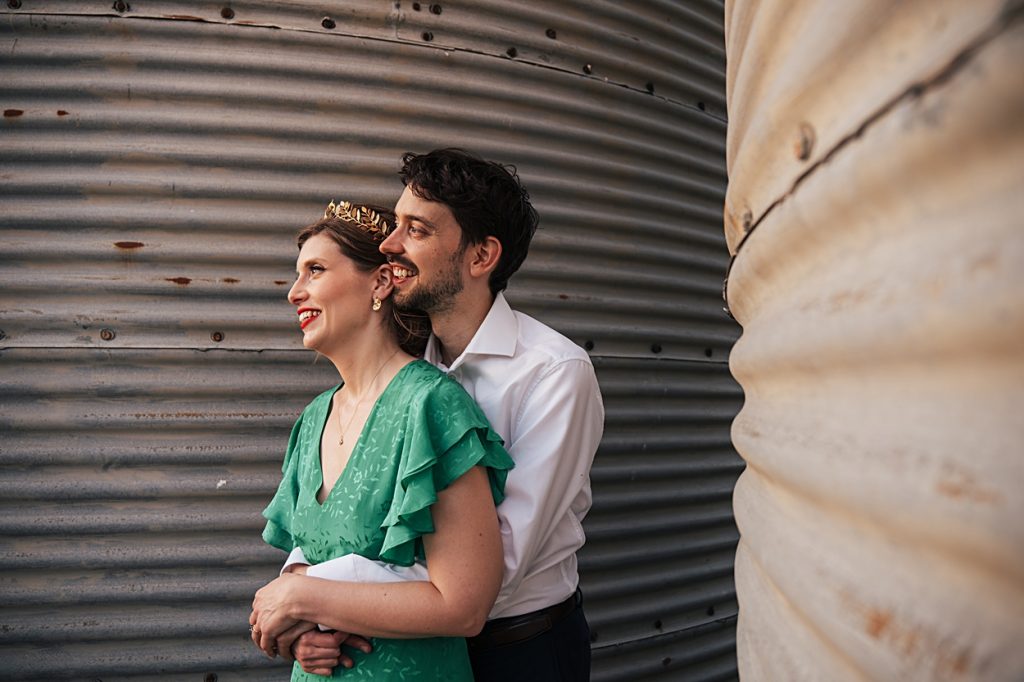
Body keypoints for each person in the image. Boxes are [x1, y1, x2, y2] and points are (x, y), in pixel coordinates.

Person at [288, 149, 605, 682]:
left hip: (519, 650)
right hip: (405, 645)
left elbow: (495, 566)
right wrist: (315, 605)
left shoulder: (554, 373)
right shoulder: (405, 374)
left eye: (416, 230)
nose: (390, 244)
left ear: (481, 257)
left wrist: (319, 598)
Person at [248, 200, 515, 681]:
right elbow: (312, 562)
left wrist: (302, 597)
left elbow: (464, 606)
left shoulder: (430, 406)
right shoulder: (313, 419)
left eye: (315, 270)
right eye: (297, 274)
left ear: (380, 282)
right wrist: (302, 633)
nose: (294, 292)